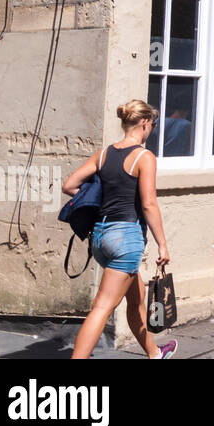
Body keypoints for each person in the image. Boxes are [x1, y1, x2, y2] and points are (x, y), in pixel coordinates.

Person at [63, 100, 177, 359]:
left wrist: (97, 198)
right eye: (153, 125)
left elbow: (69, 185)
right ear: (145, 123)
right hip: (125, 238)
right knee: (102, 307)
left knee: (136, 298)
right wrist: (162, 244)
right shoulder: (143, 157)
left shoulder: (103, 155)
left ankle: (154, 352)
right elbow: (148, 204)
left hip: (101, 237)